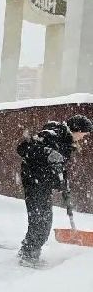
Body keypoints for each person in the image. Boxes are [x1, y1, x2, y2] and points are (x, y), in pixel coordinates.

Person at [16, 114, 93, 265]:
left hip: (43, 185)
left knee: (44, 221)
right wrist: (48, 153)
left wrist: (64, 185)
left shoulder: (66, 142)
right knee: (39, 221)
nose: (83, 137)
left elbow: (58, 167)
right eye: (84, 134)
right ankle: (28, 256)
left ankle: (30, 254)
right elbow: (23, 148)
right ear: (77, 129)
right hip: (34, 183)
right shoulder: (52, 134)